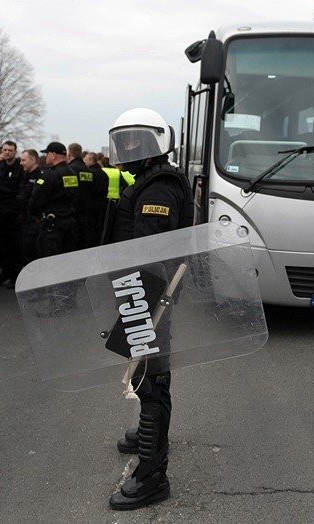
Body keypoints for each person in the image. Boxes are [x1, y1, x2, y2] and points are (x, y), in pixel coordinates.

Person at [108, 108, 193, 511]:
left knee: (151, 380)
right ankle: (148, 437)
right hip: (142, 296)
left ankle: (152, 475)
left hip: (147, 298)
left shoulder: (157, 188)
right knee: (147, 378)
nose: (128, 147)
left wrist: (143, 313)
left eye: (136, 140)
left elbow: (150, 256)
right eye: (123, 140)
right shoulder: (147, 180)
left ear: (156, 142)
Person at [27, 142, 79, 258]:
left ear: (53, 155)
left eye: (47, 154)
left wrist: (34, 214)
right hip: (69, 223)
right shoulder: (72, 173)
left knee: (49, 261)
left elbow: (37, 200)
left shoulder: (50, 175)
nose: (46, 157)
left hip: (52, 227)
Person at [0, 140, 24, 286]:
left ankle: (14, 275)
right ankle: (6, 270)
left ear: (15, 152)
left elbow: (21, 190)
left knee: (14, 246)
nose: (7, 152)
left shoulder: (20, 169)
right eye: (5, 150)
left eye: (10, 150)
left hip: (14, 212)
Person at [17, 149, 41, 266]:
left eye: (23, 160)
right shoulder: (24, 175)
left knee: (32, 254)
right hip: (23, 220)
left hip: (32, 222)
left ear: (33, 160)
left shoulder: (40, 176)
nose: (21, 163)